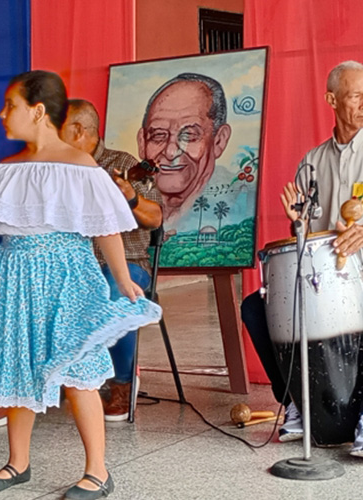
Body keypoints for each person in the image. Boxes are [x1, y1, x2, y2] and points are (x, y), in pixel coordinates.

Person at [0, 70, 161, 500]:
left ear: (38, 111)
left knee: (79, 371)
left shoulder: (83, 167)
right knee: (16, 368)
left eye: (11, 106)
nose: (2, 114)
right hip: (12, 276)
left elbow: (106, 230)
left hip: (67, 277)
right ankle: (17, 463)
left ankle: (98, 471)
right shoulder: (5, 170)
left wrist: (122, 280)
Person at [241, 60, 363, 456]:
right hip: (326, 277)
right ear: (331, 99)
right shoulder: (312, 161)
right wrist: (299, 224)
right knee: (255, 309)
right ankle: (297, 399)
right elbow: (309, 235)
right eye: (356, 95)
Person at [61, 99, 163, 421]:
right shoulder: (59, 169)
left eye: (58, 127)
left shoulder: (122, 163)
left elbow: (156, 217)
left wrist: (130, 197)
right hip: (75, 266)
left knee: (114, 292)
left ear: (78, 130)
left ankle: (122, 382)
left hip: (128, 264)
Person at [137, 73, 231, 223]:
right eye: (158, 135)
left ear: (219, 140)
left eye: (189, 135)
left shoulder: (237, 201)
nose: (170, 152)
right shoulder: (121, 201)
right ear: (142, 143)